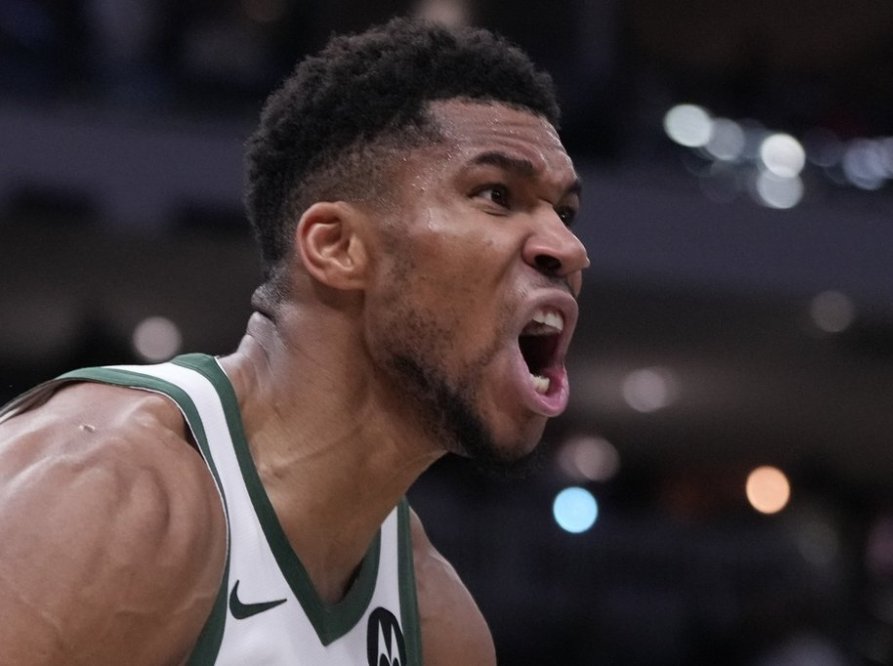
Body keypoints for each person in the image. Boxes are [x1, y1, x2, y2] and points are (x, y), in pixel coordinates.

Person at [0, 16, 589, 666]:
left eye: (564, 213)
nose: (568, 247)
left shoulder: (440, 625)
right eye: (497, 195)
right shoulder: (104, 501)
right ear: (337, 247)